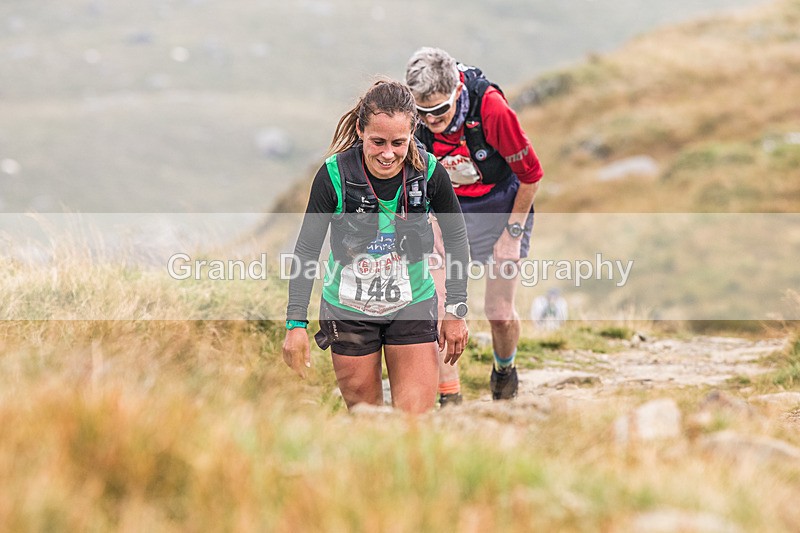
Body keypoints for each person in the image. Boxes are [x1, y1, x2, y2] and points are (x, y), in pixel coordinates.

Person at [281, 79, 470, 414]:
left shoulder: (429, 173)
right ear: (360, 130)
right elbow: (306, 251)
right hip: (348, 311)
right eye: (377, 141)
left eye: (398, 142)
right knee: (369, 426)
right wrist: (295, 325)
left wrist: (455, 310)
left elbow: (456, 239)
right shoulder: (333, 176)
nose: (388, 153)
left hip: (412, 304)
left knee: (414, 424)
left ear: (413, 131)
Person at [406, 47, 544, 401]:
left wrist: (511, 234)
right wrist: (431, 220)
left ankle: (504, 369)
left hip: (501, 204)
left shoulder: (491, 109)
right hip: (448, 204)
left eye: (439, 110)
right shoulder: (415, 118)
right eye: (423, 112)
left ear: (456, 91)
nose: (431, 120)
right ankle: (450, 398)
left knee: (498, 312)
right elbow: (414, 174)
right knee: (439, 306)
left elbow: (531, 175)